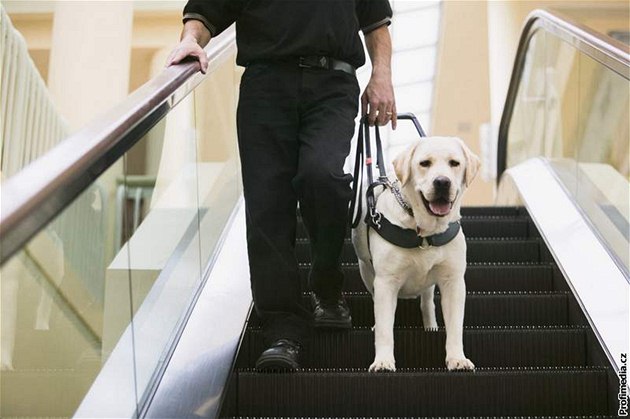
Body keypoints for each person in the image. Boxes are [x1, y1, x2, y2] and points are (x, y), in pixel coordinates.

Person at [167, 0, 396, 371]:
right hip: (265, 86)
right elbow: (205, 12)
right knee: (267, 207)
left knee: (323, 175)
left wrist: (381, 76)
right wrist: (192, 39)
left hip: (333, 84)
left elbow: (376, 21)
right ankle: (283, 333)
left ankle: (326, 284)